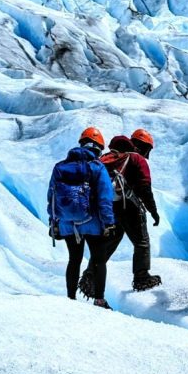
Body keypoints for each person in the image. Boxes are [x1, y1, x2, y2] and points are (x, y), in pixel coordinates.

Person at [48, 126, 116, 310]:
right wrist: (109, 222)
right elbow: (105, 197)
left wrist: (53, 222)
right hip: (93, 223)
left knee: (74, 259)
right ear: (97, 148)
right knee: (99, 260)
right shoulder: (97, 167)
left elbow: (52, 197)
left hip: (68, 224)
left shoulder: (60, 167)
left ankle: (71, 298)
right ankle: (99, 300)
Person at [92, 133, 162, 292]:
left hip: (108, 207)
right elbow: (145, 187)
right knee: (141, 241)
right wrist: (153, 211)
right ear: (143, 146)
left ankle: (90, 276)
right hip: (129, 206)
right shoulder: (137, 159)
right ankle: (141, 277)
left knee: (111, 241)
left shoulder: (106, 158)